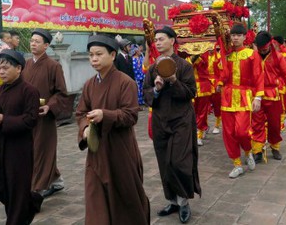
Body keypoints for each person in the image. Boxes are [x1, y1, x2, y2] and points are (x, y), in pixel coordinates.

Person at [76, 35, 150, 225]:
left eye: (99, 54)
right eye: (91, 55)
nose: (94, 59)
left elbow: (131, 115)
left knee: (125, 199)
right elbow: (81, 112)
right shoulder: (89, 85)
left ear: (112, 55)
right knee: (95, 197)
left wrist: (105, 115)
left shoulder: (126, 82)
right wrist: (85, 128)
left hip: (120, 150)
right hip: (96, 150)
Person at [143, 26, 200, 224]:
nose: (157, 42)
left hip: (181, 121)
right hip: (161, 121)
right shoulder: (152, 68)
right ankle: (173, 201)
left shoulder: (184, 66)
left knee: (179, 162)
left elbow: (191, 93)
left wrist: (174, 80)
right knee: (164, 163)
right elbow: (145, 94)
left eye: (161, 39)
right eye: (156, 40)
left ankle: (184, 202)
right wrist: (157, 89)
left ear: (172, 41)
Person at [0, 49, 42, 225]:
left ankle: (18, 216)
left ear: (19, 68)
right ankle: (31, 201)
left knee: (17, 191)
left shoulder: (29, 91)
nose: (1, 72)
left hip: (20, 149)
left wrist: (5, 120)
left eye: (6, 68)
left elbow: (30, 120)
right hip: (0, 146)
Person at [22, 29, 67, 198]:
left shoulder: (53, 66)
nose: (33, 43)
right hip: (27, 116)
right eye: (32, 40)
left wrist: (50, 106)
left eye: (37, 41)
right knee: (32, 150)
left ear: (46, 45)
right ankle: (56, 180)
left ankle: (37, 189)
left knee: (41, 151)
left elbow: (62, 92)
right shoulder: (26, 64)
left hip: (44, 117)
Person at [219, 23, 264, 178]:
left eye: (238, 35)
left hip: (245, 96)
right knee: (229, 132)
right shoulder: (227, 54)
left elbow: (258, 76)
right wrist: (219, 82)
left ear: (245, 37)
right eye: (233, 35)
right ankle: (237, 164)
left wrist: (258, 97)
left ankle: (248, 151)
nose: (235, 38)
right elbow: (221, 75)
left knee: (242, 132)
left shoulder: (252, 54)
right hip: (227, 97)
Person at [251, 31, 286, 162]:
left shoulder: (279, 57)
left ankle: (275, 147)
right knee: (256, 124)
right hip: (257, 96)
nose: (263, 50)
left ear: (270, 44)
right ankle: (257, 150)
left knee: (274, 124)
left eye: (265, 47)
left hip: (273, 95)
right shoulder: (253, 56)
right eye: (260, 48)